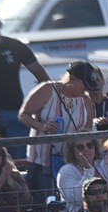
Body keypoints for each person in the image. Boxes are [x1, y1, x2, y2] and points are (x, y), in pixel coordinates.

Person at [18, 60, 96, 199]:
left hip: (72, 164)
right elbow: (23, 115)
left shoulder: (86, 101)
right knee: (46, 203)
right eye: (85, 85)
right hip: (42, 163)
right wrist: (43, 127)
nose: (86, 90)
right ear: (72, 79)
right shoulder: (47, 90)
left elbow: (87, 132)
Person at [0, 9, 48, 150]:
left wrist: (40, 106)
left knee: (21, 156)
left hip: (15, 112)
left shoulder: (15, 47)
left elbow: (43, 78)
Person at [89, 66, 108, 132]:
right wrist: (93, 122)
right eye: (91, 81)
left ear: (103, 81)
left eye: (98, 80)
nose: (95, 83)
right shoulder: (82, 107)